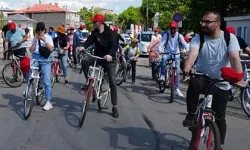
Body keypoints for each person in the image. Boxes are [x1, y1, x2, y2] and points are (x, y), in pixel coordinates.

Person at [182, 11, 243, 149]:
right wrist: (187, 67)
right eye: (202, 21)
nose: (203, 24)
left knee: (220, 117)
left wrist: (239, 77)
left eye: (207, 22)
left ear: (217, 24)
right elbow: (192, 55)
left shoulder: (229, 38)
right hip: (202, 76)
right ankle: (191, 115)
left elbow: (234, 58)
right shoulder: (199, 38)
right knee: (194, 81)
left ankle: (218, 144)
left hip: (222, 80)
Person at [80, 14, 119, 118]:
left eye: (94, 22)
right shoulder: (95, 33)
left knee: (112, 82)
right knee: (84, 61)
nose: (93, 24)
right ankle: (90, 83)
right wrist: (83, 47)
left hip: (109, 59)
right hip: (98, 57)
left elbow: (115, 45)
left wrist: (110, 54)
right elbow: (89, 41)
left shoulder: (110, 33)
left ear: (100, 23)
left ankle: (114, 106)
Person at [158, 21, 189, 97]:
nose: (173, 30)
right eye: (172, 28)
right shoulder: (166, 35)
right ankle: (162, 75)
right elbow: (161, 44)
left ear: (176, 29)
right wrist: (160, 51)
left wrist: (187, 51)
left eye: (174, 28)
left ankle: (177, 89)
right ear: (170, 28)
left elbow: (185, 45)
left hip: (177, 55)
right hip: (167, 53)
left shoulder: (179, 36)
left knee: (177, 72)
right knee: (163, 59)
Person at [28, 22, 54, 111]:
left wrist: (44, 40)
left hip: (45, 59)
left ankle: (49, 101)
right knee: (29, 73)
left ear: (44, 30)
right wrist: (35, 42)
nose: (39, 32)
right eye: (38, 30)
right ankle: (29, 89)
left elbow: (51, 49)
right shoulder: (34, 38)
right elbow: (31, 50)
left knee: (46, 80)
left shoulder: (48, 38)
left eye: (41, 30)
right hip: (35, 57)